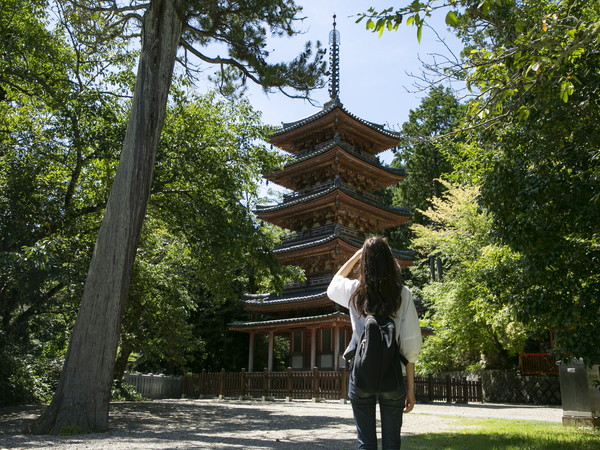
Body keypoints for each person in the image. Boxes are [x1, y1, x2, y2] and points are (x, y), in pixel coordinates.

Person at [327, 236, 422, 450]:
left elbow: (332, 287)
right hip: (392, 374)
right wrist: (410, 389)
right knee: (392, 444)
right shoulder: (402, 294)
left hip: (361, 373)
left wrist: (355, 255)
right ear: (390, 261)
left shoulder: (354, 291)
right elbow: (410, 345)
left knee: (366, 443)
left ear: (365, 263)